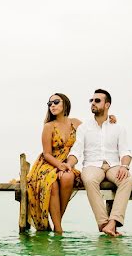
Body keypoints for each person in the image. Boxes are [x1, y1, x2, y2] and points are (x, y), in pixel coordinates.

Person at [26, 94, 118, 233]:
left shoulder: (76, 123)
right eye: (49, 103)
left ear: (65, 104)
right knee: (52, 183)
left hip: (67, 165)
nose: (52, 105)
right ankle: (58, 228)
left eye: (56, 102)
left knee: (68, 177)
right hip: (48, 164)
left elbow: (95, 128)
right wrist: (59, 165)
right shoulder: (48, 126)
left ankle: (58, 221)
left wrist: (109, 120)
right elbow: (47, 154)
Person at [65, 89, 132, 237]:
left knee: (127, 179)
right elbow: (76, 151)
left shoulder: (118, 128)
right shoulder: (84, 128)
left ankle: (113, 222)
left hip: (113, 165)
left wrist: (124, 166)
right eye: (92, 100)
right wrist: (69, 164)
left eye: (97, 100)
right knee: (88, 179)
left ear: (107, 104)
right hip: (92, 165)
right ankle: (103, 223)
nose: (93, 103)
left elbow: (125, 152)